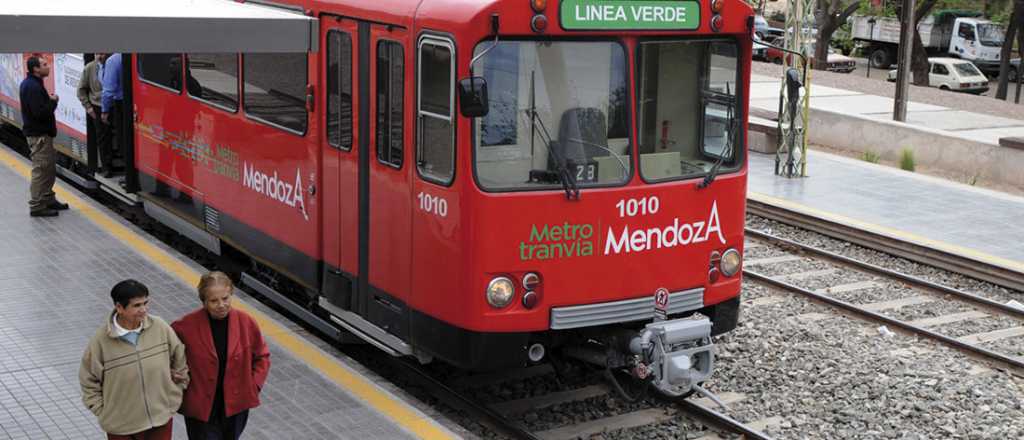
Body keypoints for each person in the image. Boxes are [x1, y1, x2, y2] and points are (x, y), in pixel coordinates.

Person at [79, 279, 190, 440]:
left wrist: (175, 394)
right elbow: (88, 380)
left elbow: (179, 356)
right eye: (137, 305)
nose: (144, 310)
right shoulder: (100, 341)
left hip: (160, 419)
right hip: (121, 427)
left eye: (145, 303)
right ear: (119, 307)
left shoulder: (160, 326)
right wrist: (105, 412)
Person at [172, 272, 271, 440]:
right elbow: (167, 356)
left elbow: (262, 356)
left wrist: (253, 386)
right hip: (202, 407)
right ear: (204, 301)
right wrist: (175, 376)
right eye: (214, 301)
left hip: (235, 406)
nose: (221, 305)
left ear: (231, 294)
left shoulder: (246, 322)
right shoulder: (184, 326)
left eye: (225, 298)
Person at [19, 56, 68, 217]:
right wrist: (53, 101)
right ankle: (37, 206)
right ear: (36, 69)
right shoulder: (32, 87)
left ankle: (48, 198)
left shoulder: (34, 84)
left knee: (48, 169)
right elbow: (39, 113)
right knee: (41, 171)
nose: (48, 66)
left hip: (43, 135)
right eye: (44, 65)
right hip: (38, 136)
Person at [78, 53, 114, 177]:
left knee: (113, 136)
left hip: (112, 105)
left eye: (102, 53)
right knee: (103, 138)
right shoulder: (90, 68)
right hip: (97, 106)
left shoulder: (112, 65)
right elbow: (80, 90)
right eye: (97, 53)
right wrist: (88, 107)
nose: (99, 56)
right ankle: (106, 167)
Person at [100, 52, 123, 173]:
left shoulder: (113, 61)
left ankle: (127, 174)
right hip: (135, 102)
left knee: (122, 138)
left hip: (120, 104)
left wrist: (105, 110)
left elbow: (108, 91)